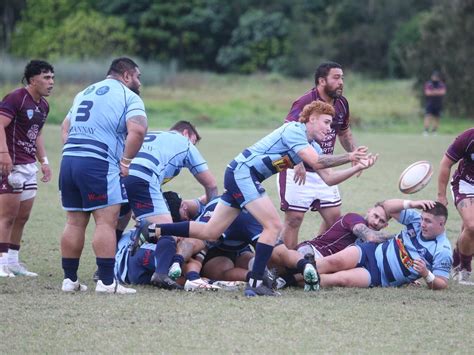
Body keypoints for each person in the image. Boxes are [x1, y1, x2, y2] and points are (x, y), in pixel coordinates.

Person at [137, 100, 377, 296]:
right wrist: (350, 156)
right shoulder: (295, 130)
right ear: (311, 118)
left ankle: (157, 229)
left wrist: (357, 166)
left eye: (332, 124)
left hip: (240, 174)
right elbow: (316, 162)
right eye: (326, 122)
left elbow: (328, 178)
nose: (329, 128)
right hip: (243, 174)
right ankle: (255, 282)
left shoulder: (310, 144)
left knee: (210, 231)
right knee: (272, 226)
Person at [59, 57, 147, 294]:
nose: (139, 82)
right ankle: (107, 282)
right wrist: (126, 162)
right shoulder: (129, 96)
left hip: (69, 160)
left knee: (74, 221)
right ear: (127, 75)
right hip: (98, 162)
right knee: (106, 222)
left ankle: (70, 280)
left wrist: (76, 150)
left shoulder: (84, 92)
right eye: (138, 77)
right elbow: (138, 130)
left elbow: (64, 127)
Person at [123, 121, 218, 289]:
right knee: (168, 229)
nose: (193, 145)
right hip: (143, 176)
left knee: (110, 225)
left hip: (120, 173)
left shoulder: (155, 137)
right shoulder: (185, 143)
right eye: (194, 141)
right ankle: (161, 274)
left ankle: (103, 271)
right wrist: (211, 214)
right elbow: (211, 185)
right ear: (187, 134)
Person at [278, 61, 359, 250]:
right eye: (336, 78)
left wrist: (354, 153)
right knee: (294, 219)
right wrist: (297, 162)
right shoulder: (305, 102)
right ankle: (286, 263)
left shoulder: (342, 103)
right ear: (322, 81)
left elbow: (344, 133)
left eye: (342, 78)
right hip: (295, 167)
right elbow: (287, 132)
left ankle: (310, 251)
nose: (341, 82)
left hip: (324, 167)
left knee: (333, 218)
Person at [310, 200, 452, 290]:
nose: (422, 224)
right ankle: (294, 270)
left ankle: (292, 280)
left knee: (340, 279)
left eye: (428, 221)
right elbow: (387, 206)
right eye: (422, 219)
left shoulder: (442, 250)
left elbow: (442, 283)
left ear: (441, 223)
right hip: (370, 251)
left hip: (378, 275)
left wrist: (426, 274)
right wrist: (413, 204)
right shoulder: (415, 220)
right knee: (334, 261)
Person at [0, 60, 54, 277]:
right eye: (46, 77)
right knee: (7, 216)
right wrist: (3, 155)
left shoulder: (44, 105)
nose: (51, 82)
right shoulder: (16, 98)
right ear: (33, 80)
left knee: (23, 216)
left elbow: (37, 134)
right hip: (9, 165)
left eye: (52, 77)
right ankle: (1, 261)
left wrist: (45, 162)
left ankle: (13, 261)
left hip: (28, 165)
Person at [437, 128, 474, 285]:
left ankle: (457, 258)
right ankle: (464, 269)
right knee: (472, 226)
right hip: (465, 185)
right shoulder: (468, 138)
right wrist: (441, 195)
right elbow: (445, 164)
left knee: (468, 230)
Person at [423, 71, 446, 136]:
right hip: (430, 103)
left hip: (438, 103)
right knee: (428, 116)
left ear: (438, 78)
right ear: (432, 77)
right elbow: (427, 93)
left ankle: (434, 131)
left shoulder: (441, 84)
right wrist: (437, 92)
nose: (435, 78)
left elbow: (443, 92)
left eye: (436, 77)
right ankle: (426, 131)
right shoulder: (429, 84)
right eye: (434, 76)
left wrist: (433, 92)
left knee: (437, 117)